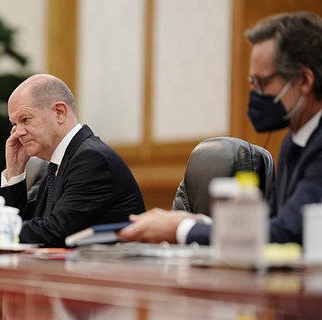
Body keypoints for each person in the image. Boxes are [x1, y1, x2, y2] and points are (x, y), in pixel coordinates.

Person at [118, 11, 322, 246]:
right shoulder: (294, 141)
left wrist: (182, 229)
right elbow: (272, 223)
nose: (255, 94)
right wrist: (199, 222)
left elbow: (286, 234)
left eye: (263, 83)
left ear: (305, 81)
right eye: (252, 83)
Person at [0, 74, 146, 247]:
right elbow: (27, 224)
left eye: (25, 119)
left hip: (107, 288)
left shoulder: (91, 158)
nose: (17, 133)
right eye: (14, 123)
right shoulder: (59, 161)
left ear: (59, 112)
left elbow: (54, 231)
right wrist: (15, 172)